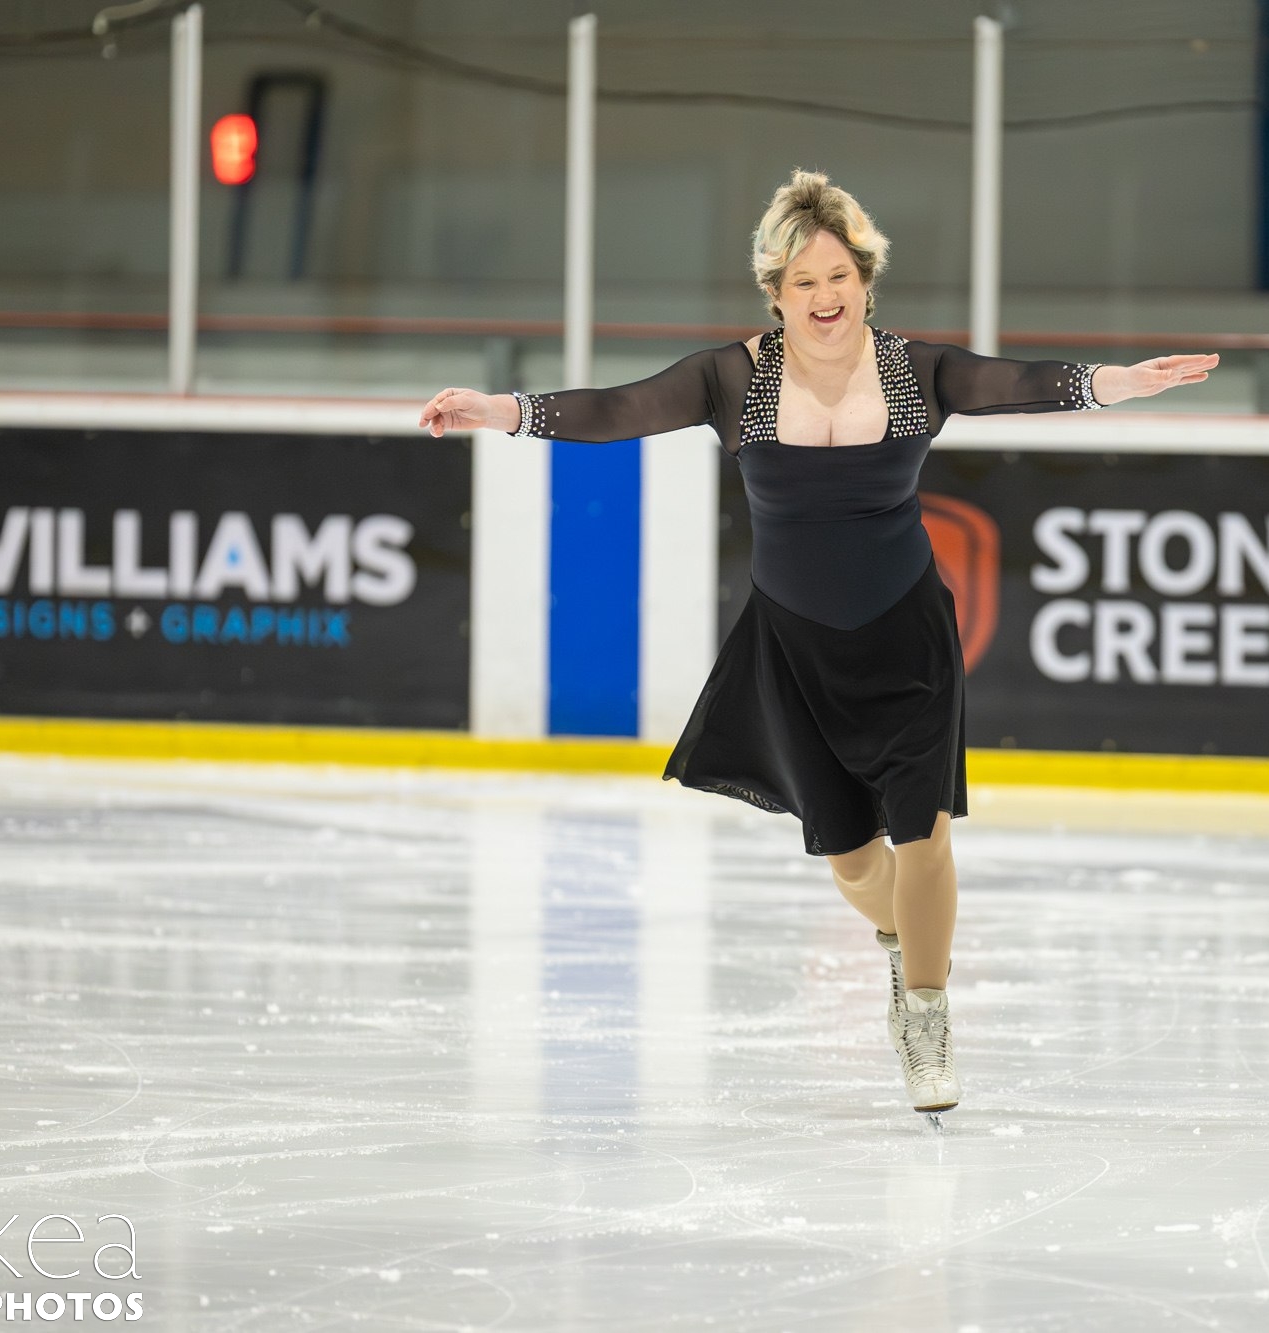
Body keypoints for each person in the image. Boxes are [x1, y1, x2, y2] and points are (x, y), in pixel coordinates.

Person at [419, 168, 1216, 1117]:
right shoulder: (732, 379)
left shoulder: (916, 372)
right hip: (795, 650)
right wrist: (501, 411)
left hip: (909, 639)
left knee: (924, 837)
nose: (825, 296)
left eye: (840, 276)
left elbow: (1017, 384)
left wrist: (1117, 384)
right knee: (854, 861)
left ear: (867, 280)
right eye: (804, 282)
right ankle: (907, 944)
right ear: (777, 292)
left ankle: (926, 1018)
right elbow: (621, 409)